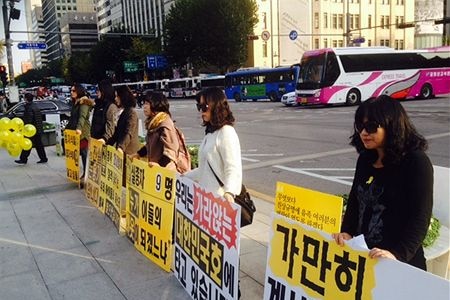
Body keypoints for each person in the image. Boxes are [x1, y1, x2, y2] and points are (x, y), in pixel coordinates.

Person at [333, 95, 433, 270]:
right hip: (364, 255)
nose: (364, 132)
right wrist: (347, 232)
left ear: (392, 125)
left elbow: (420, 218)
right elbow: (355, 202)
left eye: (371, 126)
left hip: (398, 261)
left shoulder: (416, 162)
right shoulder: (365, 159)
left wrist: (398, 254)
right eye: (360, 126)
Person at [184, 87, 242, 204]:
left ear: (216, 106)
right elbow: (204, 169)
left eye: (204, 107)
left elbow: (233, 167)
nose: (201, 112)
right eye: (199, 107)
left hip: (219, 202)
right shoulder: (211, 133)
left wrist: (229, 192)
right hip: (206, 201)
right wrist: (183, 176)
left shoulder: (226, 132)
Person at [132, 92, 179, 170]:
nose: (144, 106)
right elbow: (149, 145)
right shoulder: (154, 123)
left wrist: (159, 165)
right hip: (155, 170)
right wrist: (138, 154)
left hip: (164, 173)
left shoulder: (165, 124)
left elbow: (171, 151)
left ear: (155, 105)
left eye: (147, 104)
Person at [65, 84, 95, 181]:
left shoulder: (84, 102)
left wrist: (79, 129)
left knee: (85, 153)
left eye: (73, 91)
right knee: (79, 154)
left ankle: (87, 174)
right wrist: (67, 128)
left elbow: (82, 117)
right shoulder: (75, 102)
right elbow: (72, 118)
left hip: (83, 133)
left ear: (79, 91)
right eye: (71, 90)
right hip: (75, 132)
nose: (71, 92)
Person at [14, 93, 48, 164]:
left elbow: (29, 119)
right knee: (39, 145)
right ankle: (43, 158)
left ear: (26, 99)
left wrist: (24, 127)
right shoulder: (35, 106)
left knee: (27, 143)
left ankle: (23, 159)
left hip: (31, 129)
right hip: (38, 128)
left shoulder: (29, 107)